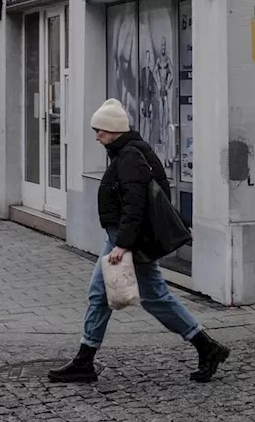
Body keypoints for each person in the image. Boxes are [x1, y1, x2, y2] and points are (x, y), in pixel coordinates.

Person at [48, 98, 229, 384]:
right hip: (122, 238)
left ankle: (207, 347)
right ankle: (84, 361)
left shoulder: (130, 155)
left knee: (155, 297)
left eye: (100, 130)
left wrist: (123, 244)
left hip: (128, 240)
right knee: (101, 295)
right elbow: (156, 192)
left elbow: (137, 204)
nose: (97, 136)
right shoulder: (127, 152)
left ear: (114, 129)